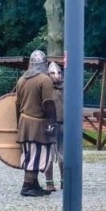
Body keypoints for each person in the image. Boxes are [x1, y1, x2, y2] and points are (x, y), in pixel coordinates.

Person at [14, 49, 57, 197]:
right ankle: (27, 186)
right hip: (38, 124)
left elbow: (17, 105)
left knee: (30, 154)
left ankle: (34, 185)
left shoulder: (21, 80)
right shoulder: (44, 80)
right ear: (44, 64)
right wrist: (53, 123)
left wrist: (17, 125)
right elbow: (48, 104)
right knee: (36, 155)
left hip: (24, 122)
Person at [44, 60, 65, 192]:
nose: (56, 75)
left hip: (64, 124)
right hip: (49, 124)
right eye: (52, 73)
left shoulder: (68, 87)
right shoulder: (45, 87)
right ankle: (49, 183)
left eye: (58, 72)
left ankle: (64, 182)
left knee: (64, 154)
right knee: (49, 155)